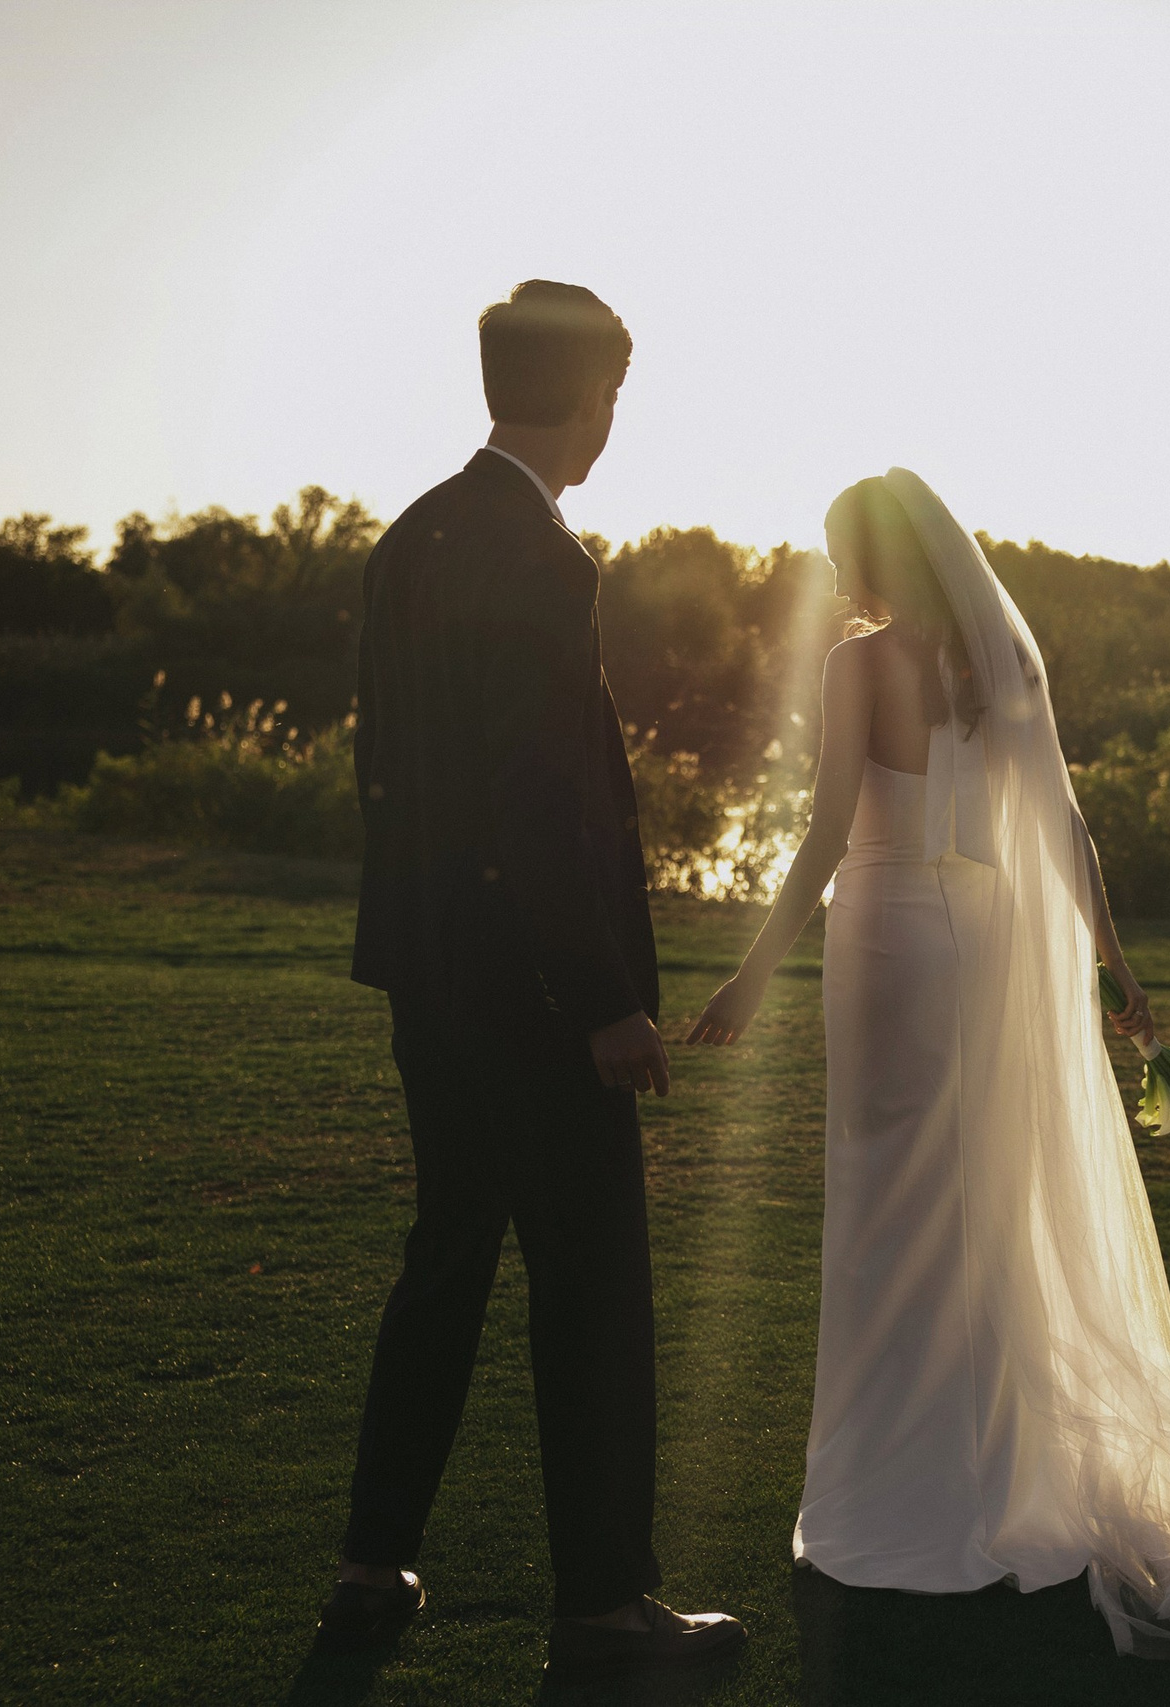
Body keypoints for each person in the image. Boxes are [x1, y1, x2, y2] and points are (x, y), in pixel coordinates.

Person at [688, 469, 1170, 1654]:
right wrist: (1115, 964)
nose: (838, 579)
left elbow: (830, 829)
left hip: (887, 939)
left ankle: (899, 1502)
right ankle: (990, 1487)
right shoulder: (1000, 669)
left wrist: (750, 972)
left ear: (883, 559)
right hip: (983, 946)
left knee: (888, 1216)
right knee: (984, 1213)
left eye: (844, 556)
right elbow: (1064, 829)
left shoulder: (857, 663)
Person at [320, 280, 743, 1675]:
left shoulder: (411, 538)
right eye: (616, 394)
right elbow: (539, 799)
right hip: (535, 994)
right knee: (593, 1290)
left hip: (429, 976)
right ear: (587, 397)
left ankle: (372, 1563)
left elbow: (394, 772)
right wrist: (606, 995)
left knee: (443, 1261)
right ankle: (608, 1608)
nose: (615, 419)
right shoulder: (545, 558)